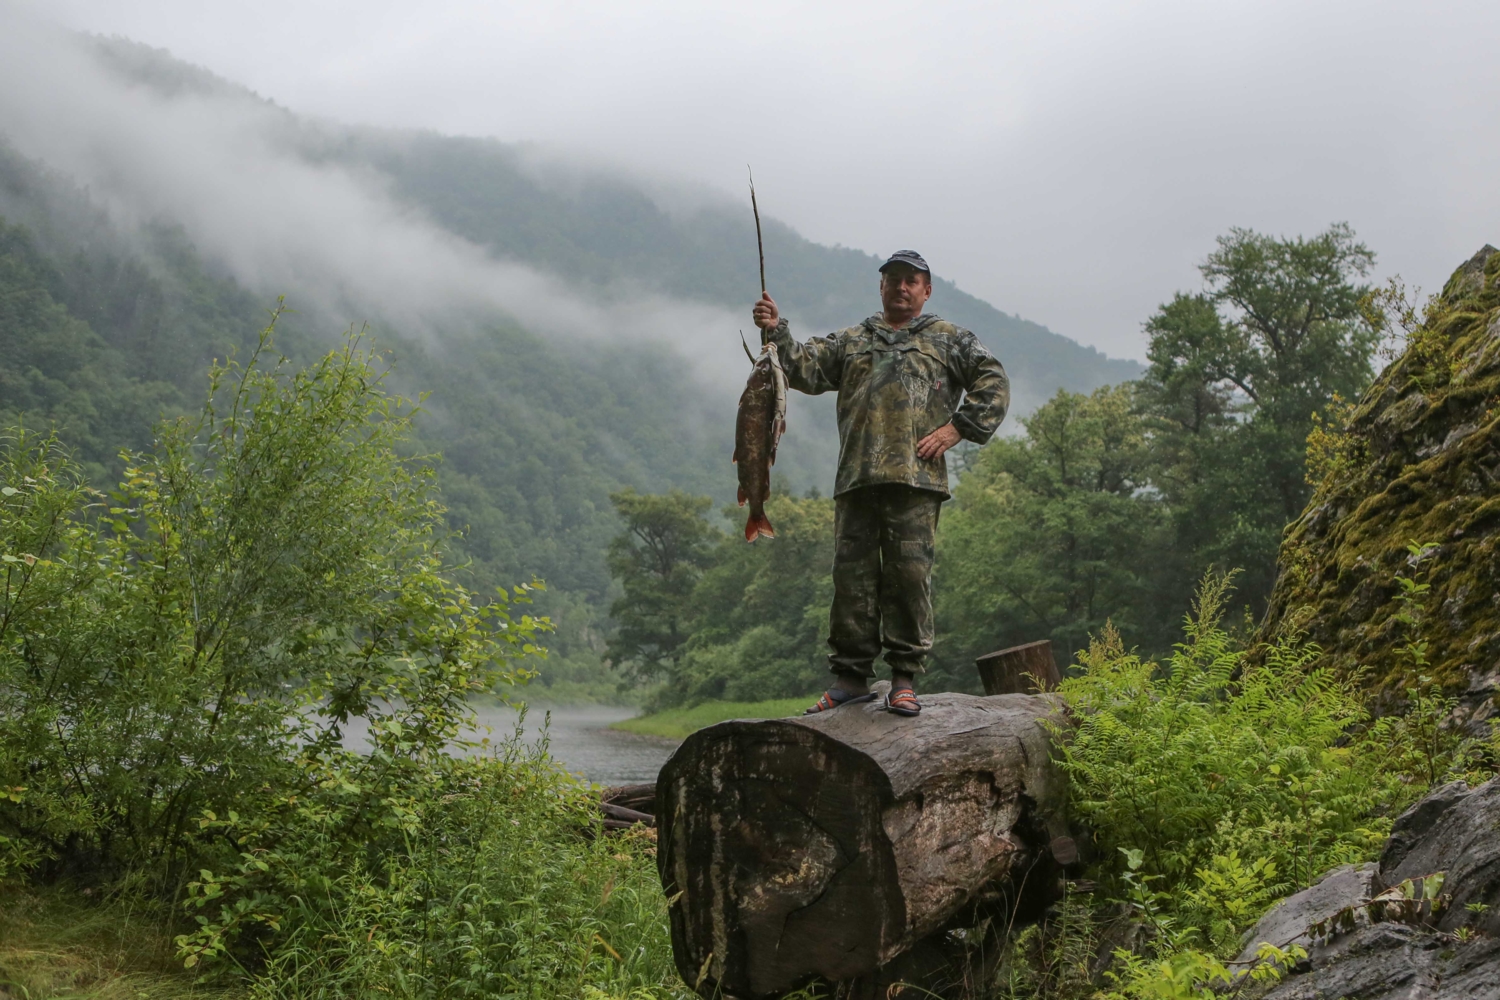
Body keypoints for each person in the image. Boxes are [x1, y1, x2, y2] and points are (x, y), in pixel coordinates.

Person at [753, 250, 1009, 717]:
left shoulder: (949, 340)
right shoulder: (854, 340)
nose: (901, 287)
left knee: (908, 580)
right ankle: (849, 678)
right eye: (893, 279)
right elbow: (802, 367)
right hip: (858, 478)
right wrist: (776, 328)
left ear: (926, 289)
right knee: (851, 581)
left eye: (912, 280)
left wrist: (958, 428)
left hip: (917, 481)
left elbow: (993, 381)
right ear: (881, 287)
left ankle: (904, 679)